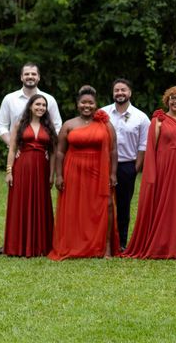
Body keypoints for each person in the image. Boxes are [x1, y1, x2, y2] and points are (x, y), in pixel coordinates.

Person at [123, 86, 176, 259]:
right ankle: (162, 243)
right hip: (164, 170)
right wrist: (152, 175)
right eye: (172, 98)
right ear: (167, 100)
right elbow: (151, 149)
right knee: (164, 204)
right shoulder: (159, 120)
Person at [48, 86, 120, 260]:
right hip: (74, 171)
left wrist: (113, 173)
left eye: (90, 103)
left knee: (105, 206)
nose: (86, 106)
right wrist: (59, 175)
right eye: (83, 102)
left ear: (96, 105)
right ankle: (74, 244)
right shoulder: (69, 124)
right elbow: (60, 152)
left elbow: (113, 150)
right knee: (75, 208)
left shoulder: (106, 124)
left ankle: (106, 247)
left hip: (99, 170)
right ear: (77, 104)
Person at [3, 94, 57, 257]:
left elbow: (53, 153)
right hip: (22, 167)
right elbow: (12, 149)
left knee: (40, 202)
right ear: (30, 106)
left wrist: (52, 174)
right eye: (37, 104)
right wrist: (9, 171)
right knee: (21, 202)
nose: (41, 107)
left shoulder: (49, 126)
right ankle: (18, 245)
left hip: (42, 168)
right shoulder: (20, 124)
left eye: (43, 105)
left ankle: (40, 245)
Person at [101, 78, 150, 250]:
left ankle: (121, 242)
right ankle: (101, 240)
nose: (120, 93)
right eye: (117, 90)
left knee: (123, 206)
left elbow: (143, 146)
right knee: (101, 204)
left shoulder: (141, 117)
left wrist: (135, 169)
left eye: (123, 90)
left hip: (127, 165)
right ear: (113, 93)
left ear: (130, 93)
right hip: (103, 165)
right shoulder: (102, 114)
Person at [0, 62, 62, 144]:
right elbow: (1, 125)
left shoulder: (49, 100)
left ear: (38, 77)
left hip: (43, 149)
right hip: (17, 151)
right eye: (26, 74)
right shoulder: (9, 99)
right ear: (21, 77)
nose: (30, 76)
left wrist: (49, 145)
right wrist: (11, 144)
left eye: (33, 74)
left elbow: (57, 126)